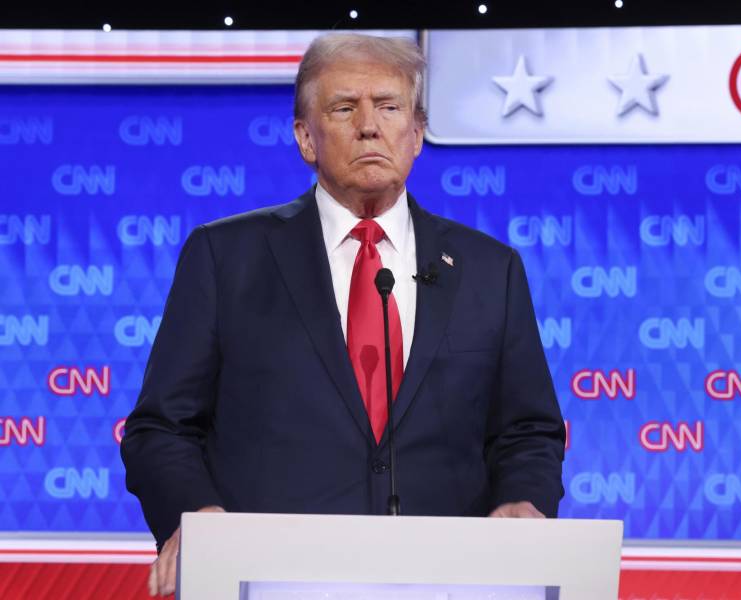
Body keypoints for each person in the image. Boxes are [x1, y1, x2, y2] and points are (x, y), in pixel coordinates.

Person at [121, 33, 565, 597]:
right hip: (270, 578)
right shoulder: (226, 256)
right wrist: (194, 515)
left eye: (388, 105)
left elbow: (528, 430)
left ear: (418, 134)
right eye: (343, 108)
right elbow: (161, 427)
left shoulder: (488, 268)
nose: (369, 125)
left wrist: (521, 500)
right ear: (305, 137)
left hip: (448, 580)